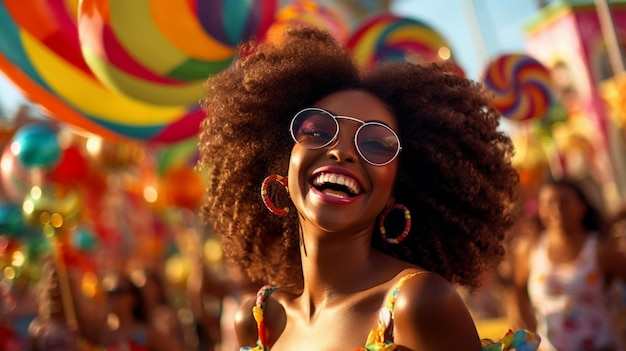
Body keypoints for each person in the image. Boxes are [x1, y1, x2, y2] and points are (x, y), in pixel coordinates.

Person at [197, 26, 531, 350]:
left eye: (376, 143)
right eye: (317, 129)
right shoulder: (258, 320)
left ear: (397, 187)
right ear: (282, 161)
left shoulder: (418, 304)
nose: (341, 150)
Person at [509, 178, 626, 351]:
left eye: (564, 202)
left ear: (582, 206)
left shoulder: (601, 250)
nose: (557, 209)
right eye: (549, 203)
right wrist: (530, 338)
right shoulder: (530, 250)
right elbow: (518, 294)